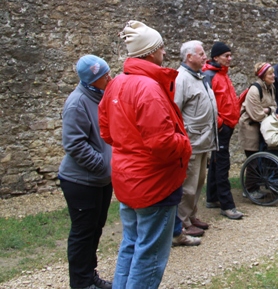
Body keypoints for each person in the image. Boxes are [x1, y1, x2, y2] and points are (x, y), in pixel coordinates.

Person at [99, 21, 191, 289]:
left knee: (131, 244)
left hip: (128, 177)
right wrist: (185, 145)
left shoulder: (116, 84)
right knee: (149, 254)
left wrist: (132, 145)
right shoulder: (148, 88)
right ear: (151, 52)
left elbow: (107, 133)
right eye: (161, 48)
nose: (164, 53)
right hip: (154, 183)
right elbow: (162, 143)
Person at [59, 55, 113, 289]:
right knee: (83, 233)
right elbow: (74, 144)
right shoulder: (77, 102)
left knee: (95, 230)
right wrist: (103, 165)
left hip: (101, 180)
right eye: (104, 76)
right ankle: (80, 283)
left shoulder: (101, 97)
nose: (109, 77)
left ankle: (89, 276)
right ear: (92, 80)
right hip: (81, 181)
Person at [174, 40, 218, 242]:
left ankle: (191, 216)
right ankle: (182, 222)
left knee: (199, 180)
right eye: (201, 54)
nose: (205, 57)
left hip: (203, 140)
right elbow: (176, 111)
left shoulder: (199, 77)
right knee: (188, 185)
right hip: (191, 141)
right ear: (189, 57)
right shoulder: (181, 79)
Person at [202, 42, 243, 220]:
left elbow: (228, 101)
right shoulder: (210, 76)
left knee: (217, 163)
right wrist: (220, 124)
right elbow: (207, 104)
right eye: (226, 55)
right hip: (221, 127)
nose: (230, 58)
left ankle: (212, 197)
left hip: (227, 126)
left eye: (230, 55)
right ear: (216, 57)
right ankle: (227, 205)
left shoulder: (222, 74)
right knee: (222, 165)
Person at [238, 62, 277, 157]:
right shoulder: (255, 90)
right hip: (251, 130)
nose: (274, 76)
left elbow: (275, 107)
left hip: (263, 128)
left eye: (273, 73)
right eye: (270, 74)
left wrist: (268, 110)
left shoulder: (271, 88)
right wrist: (271, 112)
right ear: (263, 77)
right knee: (253, 161)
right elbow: (257, 115)